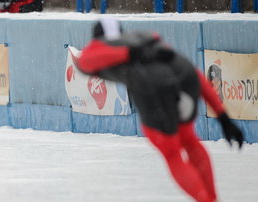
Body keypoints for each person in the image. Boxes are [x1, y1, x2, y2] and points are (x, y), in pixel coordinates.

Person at [76, 18, 244, 202]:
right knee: (189, 140)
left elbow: (84, 61)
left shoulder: (98, 46)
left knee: (172, 153)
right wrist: (223, 117)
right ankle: (212, 197)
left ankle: (207, 200)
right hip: (186, 76)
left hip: (154, 87)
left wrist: (129, 54)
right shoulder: (142, 37)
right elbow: (194, 73)